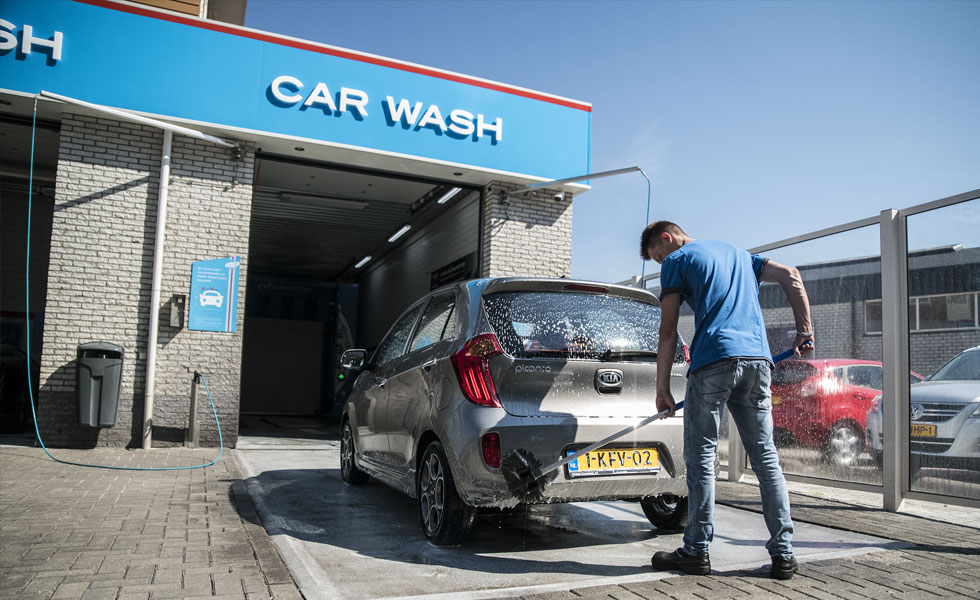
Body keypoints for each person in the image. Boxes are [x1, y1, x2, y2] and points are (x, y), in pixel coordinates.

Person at [640, 221, 813, 580]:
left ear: (666, 239)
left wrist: (662, 390)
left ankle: (696, 550)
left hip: (713, 360)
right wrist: (805, 331)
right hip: (757, 361)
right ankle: (784, 554)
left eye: (658, 257)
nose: (662, 264)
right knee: (765, 457)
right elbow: (792, 275)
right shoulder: (740, 255)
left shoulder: (678, 259)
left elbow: (668, 331)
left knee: (702, 455)